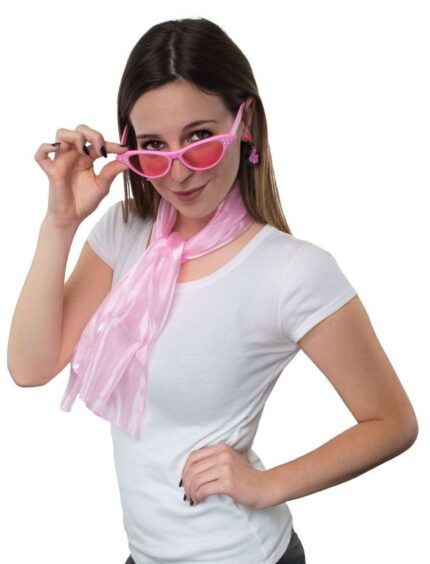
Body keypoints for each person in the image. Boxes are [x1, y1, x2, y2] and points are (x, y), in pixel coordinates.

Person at [7, 17, 418, 564]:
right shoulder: (124, 233)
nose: (179, 173)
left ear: (246, 124)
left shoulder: (292, 272)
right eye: (155, 146)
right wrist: (60, 223)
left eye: (200, 137)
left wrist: (266, 485)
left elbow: (392, 422)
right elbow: (29, 367)